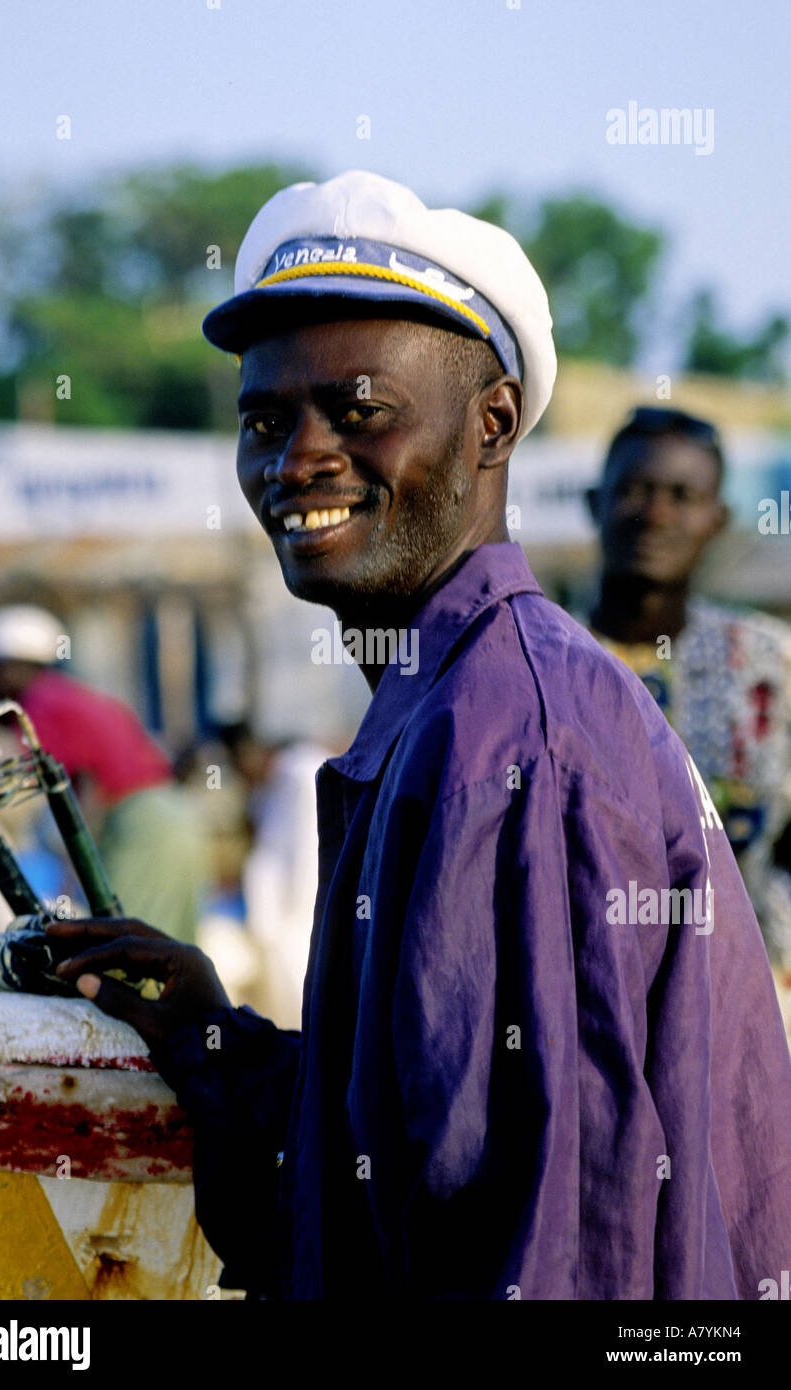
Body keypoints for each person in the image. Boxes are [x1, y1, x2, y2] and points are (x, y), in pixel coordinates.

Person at [50, 171, 791, 1301]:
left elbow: (561, 1243)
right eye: (267, 419)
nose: (297, 458)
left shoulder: (513, 738)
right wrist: (211, 1036)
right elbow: (408, 1145)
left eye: (359, 411)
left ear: (492, 424)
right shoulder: (448, 699)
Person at [585, 407, 791, 1031]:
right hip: (592, 1016)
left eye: (683, 495)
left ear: (717, 519)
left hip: (752, 1011)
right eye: (635, 490)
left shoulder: (769, 665)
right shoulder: (534, 659)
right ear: (596, 503)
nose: (657, 514)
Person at [0, 604, 207, 944]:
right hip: (174, 813)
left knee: (134, 956)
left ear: (9, 667)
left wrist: (71, 878)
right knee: (171, 949)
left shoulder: (39, 704)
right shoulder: (72, 695)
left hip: (140, 825)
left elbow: (77, 790)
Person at [219, 722, 331, 1029]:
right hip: (278, 932)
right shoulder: (272, 788)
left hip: (298, 927)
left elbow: (308, 860)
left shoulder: (301, 773)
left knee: (301, 1019)